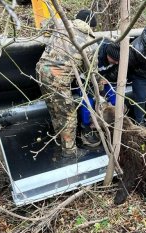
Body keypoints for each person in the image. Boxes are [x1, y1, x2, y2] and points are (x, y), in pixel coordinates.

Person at [36, 10, 100, 158]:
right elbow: (92, 74)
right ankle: (70, 153)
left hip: (41, 71)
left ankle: (60, 140)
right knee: (68, 117)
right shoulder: (90, 43)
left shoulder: (62, 25)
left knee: (55, 109)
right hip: (57, 80)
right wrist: (99, 91)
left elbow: (44, 24)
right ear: (91, 27)